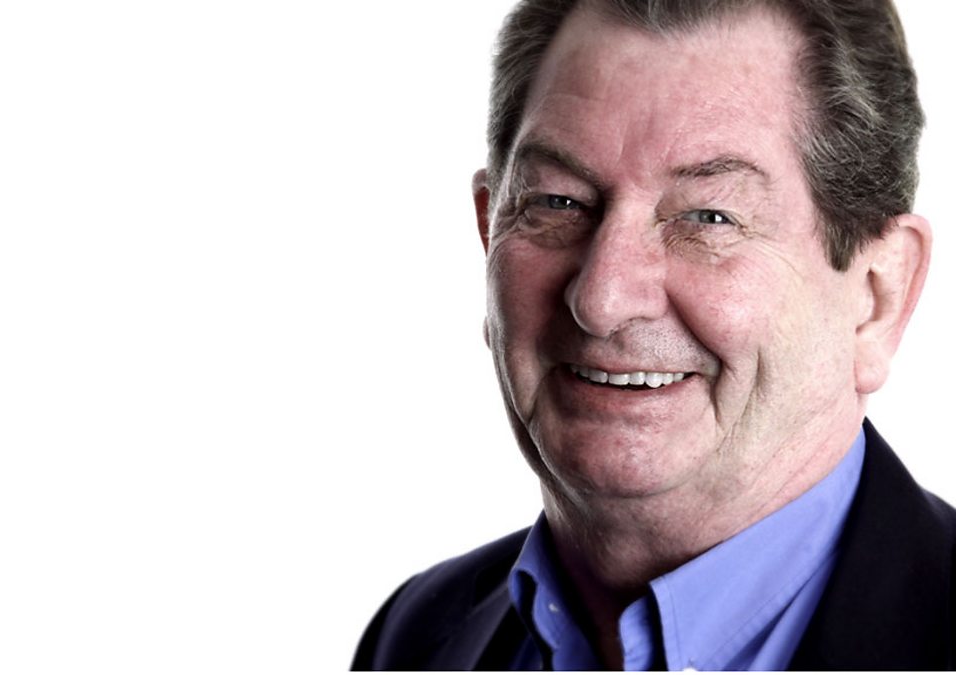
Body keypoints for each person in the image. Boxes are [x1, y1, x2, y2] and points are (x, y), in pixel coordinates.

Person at [352, 0, 954, 670]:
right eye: (557, 202)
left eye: (709, 217)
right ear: (489, 231)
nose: (602, 299)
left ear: (877, 295)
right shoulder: (416, 636)